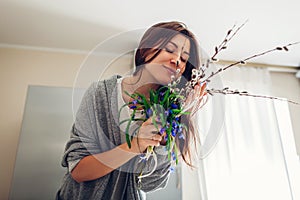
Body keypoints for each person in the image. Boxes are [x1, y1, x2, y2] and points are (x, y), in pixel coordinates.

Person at [56, 21, 206, 200]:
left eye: (183, 59)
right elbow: (79, 170)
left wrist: (181, 115)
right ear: (146, 49)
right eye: (170, 49)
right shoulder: (101, 93)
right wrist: (135, 145)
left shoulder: (169, 111)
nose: (176, 61)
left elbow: (149, 184)